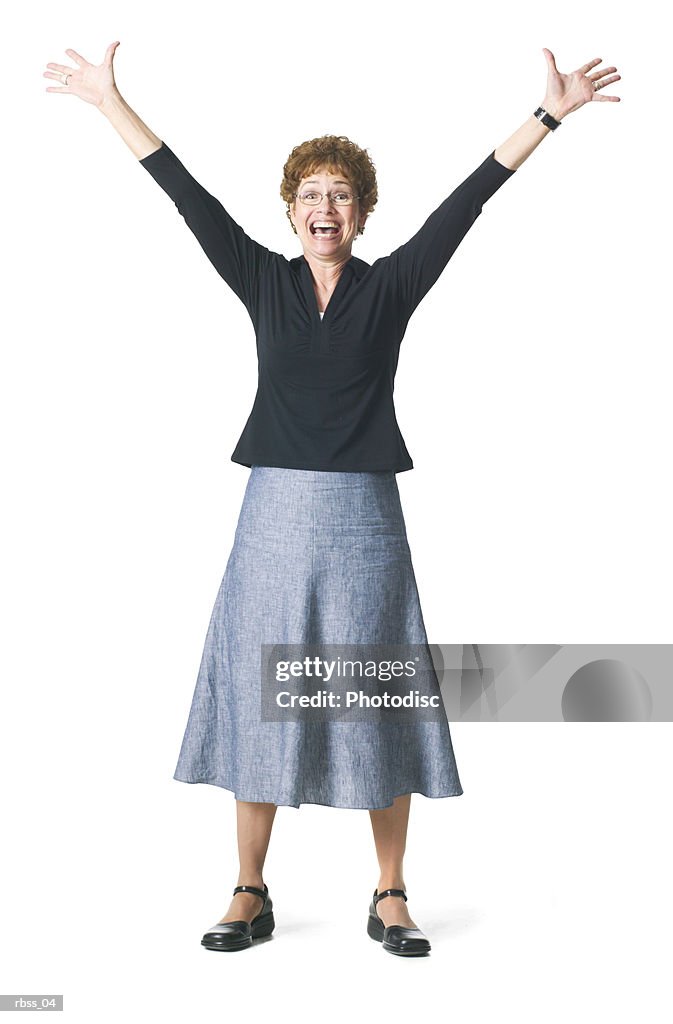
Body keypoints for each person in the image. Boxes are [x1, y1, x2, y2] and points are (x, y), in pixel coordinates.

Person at [44, 42, 621, 957]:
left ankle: (389, 894)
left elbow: (467, 201)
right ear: (291, 209)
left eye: (340, 194)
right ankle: (248, 891)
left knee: (375, 695)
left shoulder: (389, 287)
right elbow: (183, 193)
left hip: (363, 523)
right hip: (271, 515)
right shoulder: (263, 281)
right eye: (310, 193)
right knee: (261, 691)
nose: (324, 206)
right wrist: (110, 101)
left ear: (359, 214)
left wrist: (549, 116)